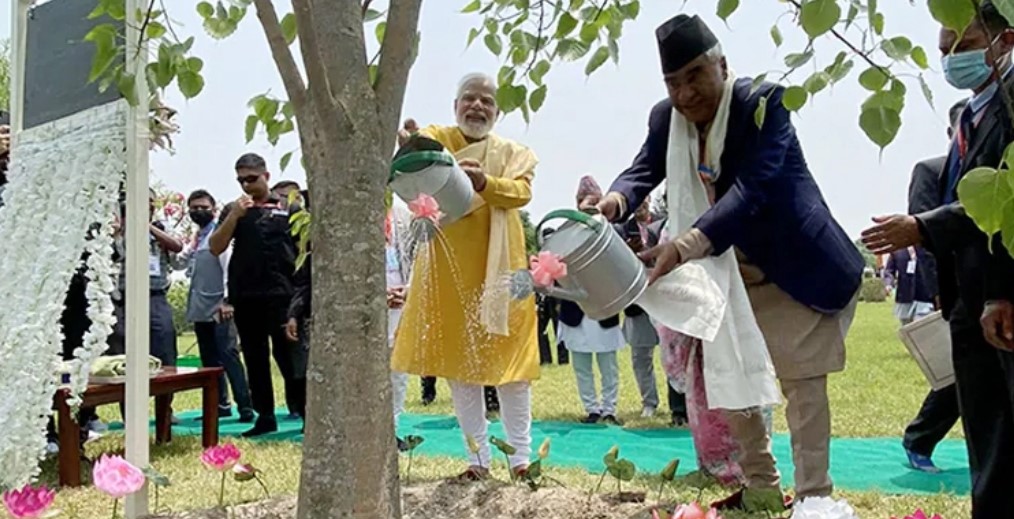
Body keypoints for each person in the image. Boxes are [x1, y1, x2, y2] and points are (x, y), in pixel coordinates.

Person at [588, 14, 863, 511]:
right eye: (673, 82)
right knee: (731, 384)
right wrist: (615, 201)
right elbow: (644, 168)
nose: (685, 93)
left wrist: (687, 244)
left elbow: (754, 189)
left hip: (792, 268)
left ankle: (814, 499)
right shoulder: (664, 118)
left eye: (695, 75)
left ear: (722, 64)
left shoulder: (765, 102)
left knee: (801, 390)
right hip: (724, 277)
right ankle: (760, 487)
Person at [861, 5, 1014, 516]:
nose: (950, 58)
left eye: (963, 46)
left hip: (1002, 302)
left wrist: (923, 226)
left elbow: (1001, 202)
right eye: (944, 48)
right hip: (969, 304)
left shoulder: (1011, 107)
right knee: (986, 438)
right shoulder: (972, 116)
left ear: (1005, 41)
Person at [391, 72, 540, 480]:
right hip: (449, 267)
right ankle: (477, 461)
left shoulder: (514, 153)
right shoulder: (440, 137)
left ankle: (521, 460)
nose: (477, 106)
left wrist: (483, 181)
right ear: (456, 105)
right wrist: (413, 144)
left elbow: (521, 192)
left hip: (503, 269)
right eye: (468, 98)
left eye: (486, 101)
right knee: (461, 368)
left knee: (513, 368)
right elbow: (418, 154)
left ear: (497, 110)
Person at [210, 153, 305, 437]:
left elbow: (304, 249)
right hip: (247, 296)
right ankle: (265, 416)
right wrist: (236, 216)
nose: (246, 185)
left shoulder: (290, 206)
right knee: (255, 358)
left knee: (290, 358)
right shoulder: (233, 209)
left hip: (284, 296)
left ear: (266, 175)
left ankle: (305, 413)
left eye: (251, 179)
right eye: (240, 180)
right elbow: (215, 247)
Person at [897, 100, 967, 474]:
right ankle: (919, 438)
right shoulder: (931, 171)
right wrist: (937, 288)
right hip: (954, 285)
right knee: (958, 372)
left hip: (993, 280)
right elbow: (921, 234)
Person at [179, 189, 254, 423]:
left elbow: (227, 268)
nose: (198, 211)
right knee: (209, 361)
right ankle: (219, 405)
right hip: (201, 309)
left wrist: (227, 301)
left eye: (203, 207)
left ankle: (245, 407)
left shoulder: (220, 235)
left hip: (220, 307)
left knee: (229, 356)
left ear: (213, 209)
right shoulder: (198, 237)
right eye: (194, 208)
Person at [619, 200, 666, 418]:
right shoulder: (621, 229)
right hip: (637, 301)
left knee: (673, 355)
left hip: (665, 297)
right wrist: (629, 251)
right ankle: (649, 402)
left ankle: (680, 407)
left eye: (643, 200)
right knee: (641, 357)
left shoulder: (662, 224)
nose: (639, 206)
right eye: (634, 202)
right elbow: (616, 263)